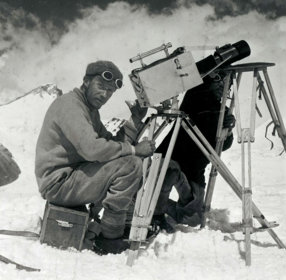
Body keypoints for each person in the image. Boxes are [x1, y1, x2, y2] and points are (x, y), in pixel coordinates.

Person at [35, 60, 156, 254]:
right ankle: (110, 238)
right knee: (131, 164)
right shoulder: (70, 105)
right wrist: (134, 150)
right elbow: (92, 149)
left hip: (72, 178)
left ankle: (118, 224)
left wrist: (134, 120)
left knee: (129, 162)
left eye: (110, 91)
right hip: (59, 184)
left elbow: (109, 144)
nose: (105, 94)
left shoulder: (90, 111)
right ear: (86, 82)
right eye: (101, 86)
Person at [153, 71, 235, 231]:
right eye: (218, 81)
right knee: (168, 173)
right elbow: (199, 79)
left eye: (226, 85)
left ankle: (151, 201)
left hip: (194, 170)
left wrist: (228, 130)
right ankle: (156, 214)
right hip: (172, 159)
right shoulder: (194, 98)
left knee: (193, 219)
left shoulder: (222, 111)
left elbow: (222, 146)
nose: (222, 87)